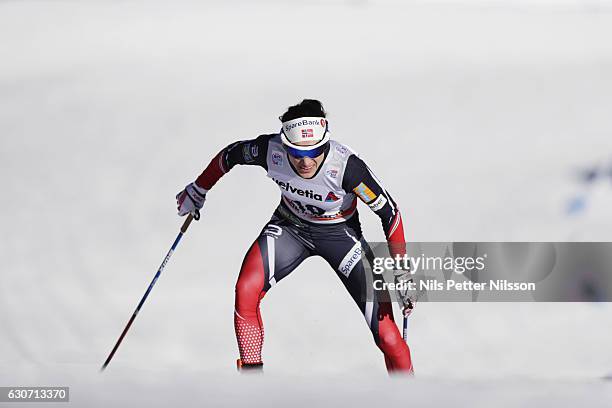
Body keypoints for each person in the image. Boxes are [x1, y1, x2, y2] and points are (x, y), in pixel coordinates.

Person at [176, 99, 414, 373]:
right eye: (295, 152)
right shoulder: (269, 149)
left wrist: (402, 270)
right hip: (290, 227)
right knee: (246, 290)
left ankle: (409, 395)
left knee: (388, 337)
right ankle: (252, 386)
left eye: (314, 151)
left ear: (325, 143)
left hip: (340, 236)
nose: (305, 161)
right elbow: (228, 157)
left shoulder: (347, 167)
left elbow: (390, 213)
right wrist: (198, 188)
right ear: (283, 143)